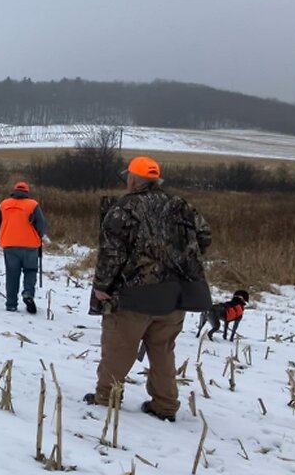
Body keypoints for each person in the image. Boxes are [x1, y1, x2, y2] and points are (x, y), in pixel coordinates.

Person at [83, 155, 212, 423]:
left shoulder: (123, 209)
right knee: (163, 351)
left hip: (134, 297)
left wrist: (101, 287)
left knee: (119, 349)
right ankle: (165, 405)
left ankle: (107, 397)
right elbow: (204, 237)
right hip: (175, 296)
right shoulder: (181, 206)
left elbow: (111, 253)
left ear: (132, 179)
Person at [0, 181, 49, 314]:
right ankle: (28, 294)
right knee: (30, 271)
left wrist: (3, 234)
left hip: (9, 244)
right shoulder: (33, 204)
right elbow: (41, 224)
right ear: (27, 192)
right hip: (30, 245)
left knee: (12, 274)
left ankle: (11, 304)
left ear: (13, 191)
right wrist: (39, 236)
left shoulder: (4, 204)